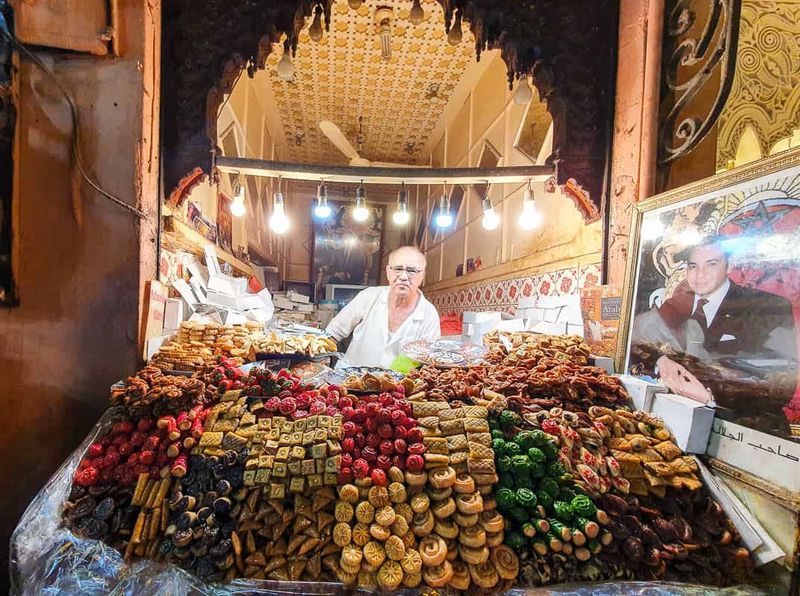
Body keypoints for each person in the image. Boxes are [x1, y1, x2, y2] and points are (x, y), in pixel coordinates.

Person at [325, 246, 441, 369]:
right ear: (388, 271)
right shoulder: (369, 296)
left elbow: (429, 363)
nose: (403, 276)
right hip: (349, 380)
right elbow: (332, 333)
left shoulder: (429, 314)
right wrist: (321, 364)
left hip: (399, 387)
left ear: (422, 275)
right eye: (398, 269)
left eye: (412, 271)